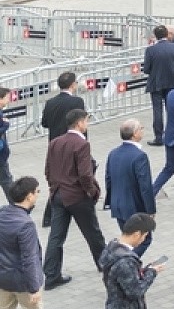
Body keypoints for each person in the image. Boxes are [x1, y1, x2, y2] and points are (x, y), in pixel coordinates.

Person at [42, 108, 105, 291]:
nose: (87, 124)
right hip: (78, 196)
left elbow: (48, 170)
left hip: (58, 195)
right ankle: (105, 264)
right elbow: (85, 175)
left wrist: (54, 187)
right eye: (86, 121)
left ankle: (51, 275)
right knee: (93, 233)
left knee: (56, 237)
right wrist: (92, 192)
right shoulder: (82, 144)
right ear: (79, 123)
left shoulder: (55, 142)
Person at [104, 120, 156, 257]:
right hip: (134, 207)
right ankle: (125, 263)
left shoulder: (113, 153)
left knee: (127, 240)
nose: (143, 130)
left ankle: (126, 263)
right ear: (135, 134)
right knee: (144, 239)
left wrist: (111, 201)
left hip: (118, 205)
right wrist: (150, 210)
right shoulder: (140, 156)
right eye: (141, 128)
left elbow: (108, 179)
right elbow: (145, 186)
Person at [99, 213, 163, 309]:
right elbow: (135, 291)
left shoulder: (111, 247)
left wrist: (144, 271)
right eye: (144, 236)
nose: (143, 240)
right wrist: (152, 272)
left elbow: (124, 278)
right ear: (137, 234)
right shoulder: (125, 261)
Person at [0, 177, 44, 308]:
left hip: (3, 280)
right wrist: (34, 288)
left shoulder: (2, 213)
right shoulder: (26, 225)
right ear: (29, 196)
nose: (38, 195)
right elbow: (29, 258)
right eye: (37, 191)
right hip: (22, 283)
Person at [143, 29, 174, 145]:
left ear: (155, 36)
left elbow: (146, 69)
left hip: (156, 83)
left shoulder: (150, 50)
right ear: (167, 35)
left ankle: (159, 137)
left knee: (157, 110)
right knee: (171, 109)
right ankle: (172, 136)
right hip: (173, 83)